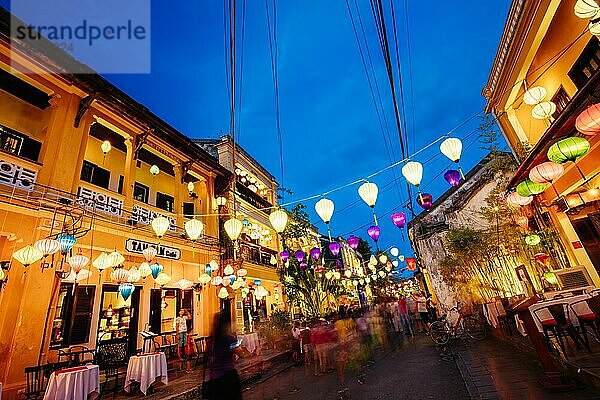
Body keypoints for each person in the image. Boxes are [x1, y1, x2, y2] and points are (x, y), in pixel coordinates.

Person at [204, 311, 253, 400]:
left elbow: (207, 357)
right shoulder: (230, 339)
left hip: (214, 379)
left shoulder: (212, 341)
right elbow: (240, 353)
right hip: (228, 377)